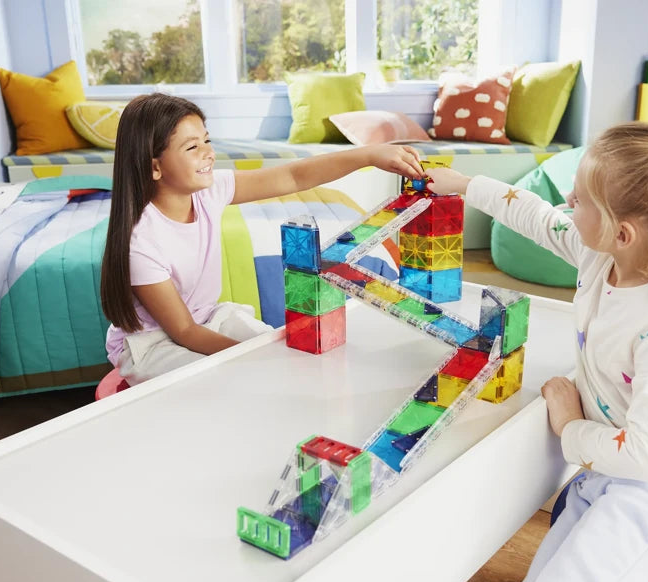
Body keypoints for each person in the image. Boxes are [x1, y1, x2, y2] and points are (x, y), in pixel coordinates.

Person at [426, 121, 648, 582]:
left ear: (624, 232)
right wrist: (464, 184)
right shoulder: (602, 259)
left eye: (583, 198)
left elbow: (647, 457)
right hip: (606, 480)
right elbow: (537, 216)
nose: (569, 200)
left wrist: (570, 426)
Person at [101, 93, 424, 385]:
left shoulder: (209, 191)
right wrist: (253, 360)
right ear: (154, 167)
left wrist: (367, 155)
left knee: (286, 348)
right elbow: (183, 331)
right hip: (152, 343)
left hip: (207, 319)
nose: (209, 154)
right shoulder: (142, 243)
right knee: (234, 381)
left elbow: (292, 176)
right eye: (192, 147)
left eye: (207, 140)